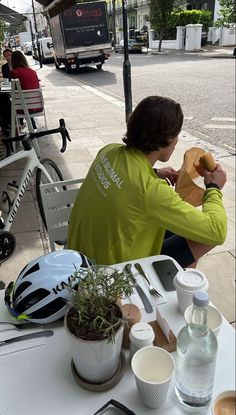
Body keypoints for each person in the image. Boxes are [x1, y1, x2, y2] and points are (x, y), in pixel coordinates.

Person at [67, 96, 227, 268]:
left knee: (182, 224)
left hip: (76, 258)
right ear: (167, 139)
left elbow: (125, 178)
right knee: (201, 237)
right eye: (177, 135)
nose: (177, 140)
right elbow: (217, 231)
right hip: (112, 278)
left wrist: (155, 172)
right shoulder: (152, 191)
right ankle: (178, 287)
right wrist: (213, 186)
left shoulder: (109, 152)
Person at [10, 51, 42, 129]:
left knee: (8, 102)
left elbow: (14, 92)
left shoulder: (13, 72)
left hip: (23, 108)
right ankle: (33, 127)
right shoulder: (33, 72)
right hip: (37, 106)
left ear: (13, 60)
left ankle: (14, 128)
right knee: (25, 100)